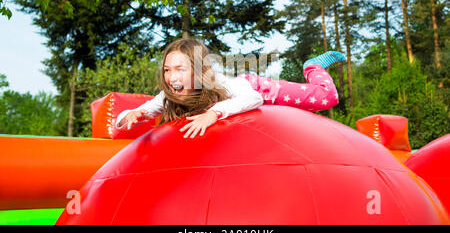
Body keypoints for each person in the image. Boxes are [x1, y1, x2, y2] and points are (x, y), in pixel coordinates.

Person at [116, 38, 345, 138]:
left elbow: (253, 98)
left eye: (180, 69)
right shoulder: (169, 95)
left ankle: (312, 66)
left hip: (264, 91)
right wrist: (132, 114)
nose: (172, 77)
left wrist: (213, 114)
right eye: (167, 70)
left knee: (326, 98)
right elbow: (129, 116)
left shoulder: (216, 82)